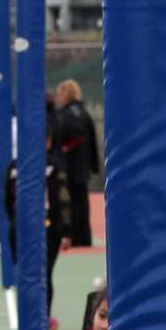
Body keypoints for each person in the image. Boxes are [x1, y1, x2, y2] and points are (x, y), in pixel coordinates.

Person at [51, 77, 100, 248]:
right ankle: (83, 238)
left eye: (60, 92)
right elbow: (91, 139)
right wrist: (94, 163)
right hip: (81, 165)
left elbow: (78, 135)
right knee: (80, 202)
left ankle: (77, 238)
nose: (58, 96)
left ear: (67, 93)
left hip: (71, 166)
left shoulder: (69, 113)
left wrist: (64, 148)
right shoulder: (82, 111)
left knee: (72, 203)